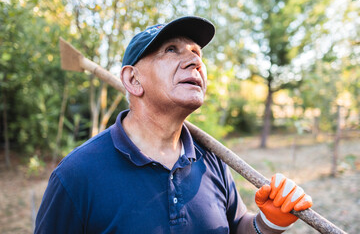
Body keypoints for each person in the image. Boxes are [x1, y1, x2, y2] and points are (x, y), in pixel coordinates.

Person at [35, 16, 312, 234]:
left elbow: (236, 226)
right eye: (171, 50)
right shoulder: (76, 177)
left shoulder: (212, 160)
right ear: (133, 80)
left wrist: (267, 224)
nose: (195, 61)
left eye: (197, 53)